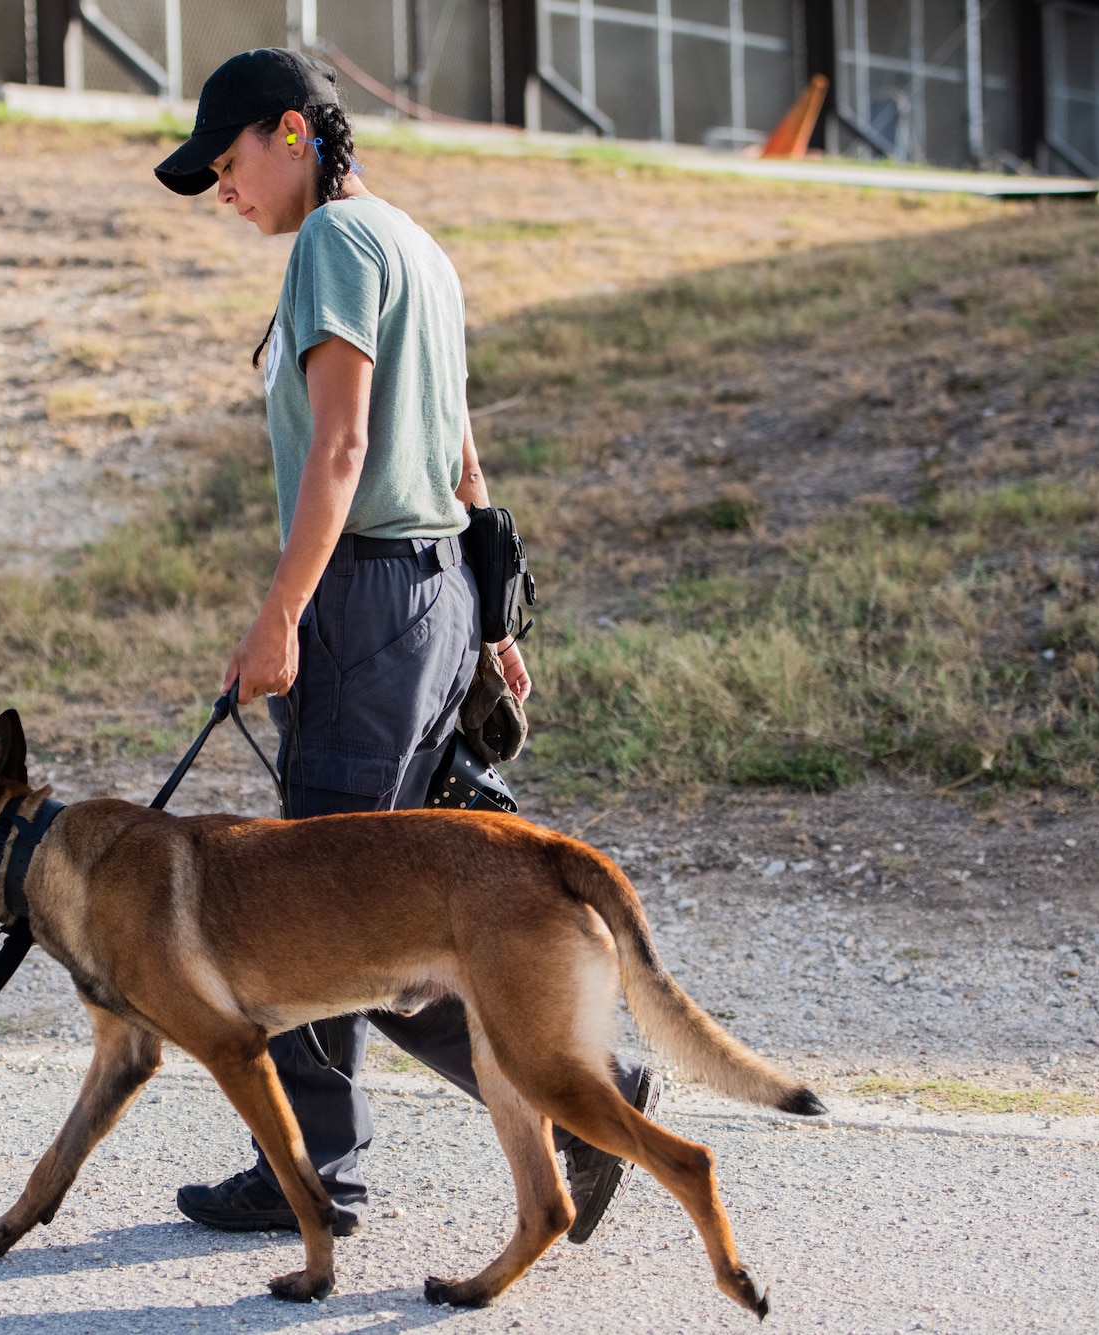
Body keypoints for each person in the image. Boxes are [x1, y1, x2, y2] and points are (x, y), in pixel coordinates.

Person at [152, 48, 659, 1243]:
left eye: (227, 165)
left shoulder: (331, 245)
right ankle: (575, 1097)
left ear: (291, 131)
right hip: (429, 599)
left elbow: (341, 450)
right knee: (384, 899)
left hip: (364, 598)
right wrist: (484, 624)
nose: (225, 192)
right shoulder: (415, 245)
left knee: (318, 905)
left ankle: (348, 1164)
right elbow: (463, 457)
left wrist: (279, 613)